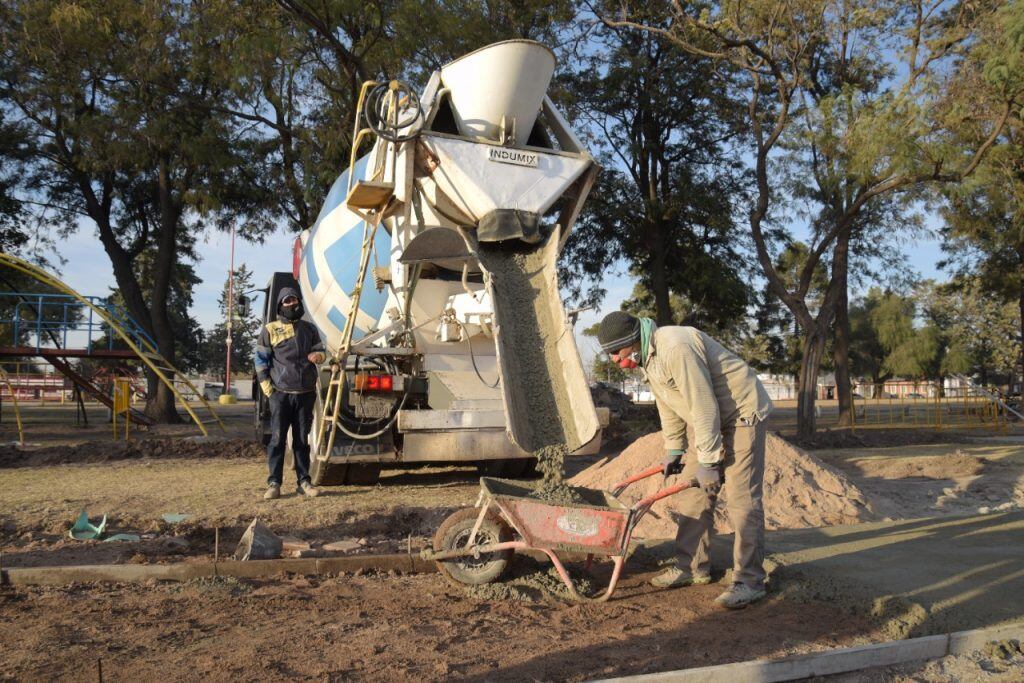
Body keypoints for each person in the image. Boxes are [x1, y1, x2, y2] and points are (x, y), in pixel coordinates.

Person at [597, 311, 773, 609]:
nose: (614, 359)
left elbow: (704, 406)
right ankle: (691, 567)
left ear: (630, 341)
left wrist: (709, 462)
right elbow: (669, 403)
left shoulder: (674, 347)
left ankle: (749, 580)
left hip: (742, 415)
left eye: (616, 352)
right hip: (710, 419)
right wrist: (675, 449)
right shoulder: (648, 356)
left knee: (742, 498)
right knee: (694, 494)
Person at [255, 287, 326, 500]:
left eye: (294, 300)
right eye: (287, 301)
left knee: (302, 441)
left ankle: (304, 482)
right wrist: (269, 390)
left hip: (305, 393)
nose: (291, 304)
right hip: (280, 394)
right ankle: (274, 484)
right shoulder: (270, 329)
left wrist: (319, 357)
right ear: (280, 305)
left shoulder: (310, 329)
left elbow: (322, 352)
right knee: (277, 439)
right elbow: (260, 361)